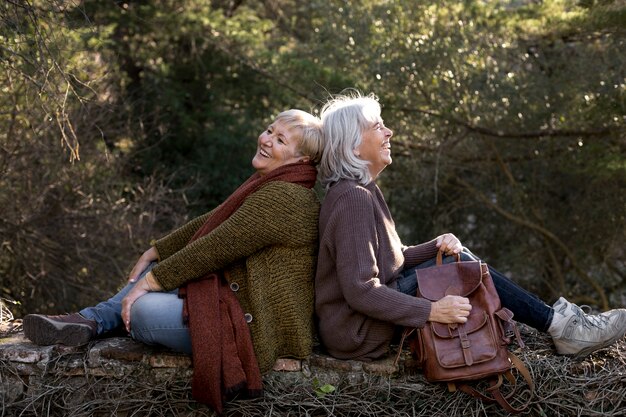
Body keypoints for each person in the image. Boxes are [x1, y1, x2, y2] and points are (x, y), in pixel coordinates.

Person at [23, 109, 324, 412]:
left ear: (301, 161)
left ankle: (96, 320)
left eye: (281, 140)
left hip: (254, 325)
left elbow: (216, 246)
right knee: (159, 268)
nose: (267, 140)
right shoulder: (274, 185)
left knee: (143, 311)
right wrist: (156, 251)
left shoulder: (286, 198)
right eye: (270, 130)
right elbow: (215, 221)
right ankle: (93, 320)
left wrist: (150, 282)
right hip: (235, 299)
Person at [314, 91, 626, 362]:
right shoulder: (352, 199)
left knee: (454, 256)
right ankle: (562, 327)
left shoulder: (362, 190)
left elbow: (390, 262)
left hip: (361, 319)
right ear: (353, 147)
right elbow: (361, 290)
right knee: (460, 266)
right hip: (355, 331)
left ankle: (562, 325)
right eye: (378, 126)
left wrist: (435, 246)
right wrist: (432, 311)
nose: (389, 132)